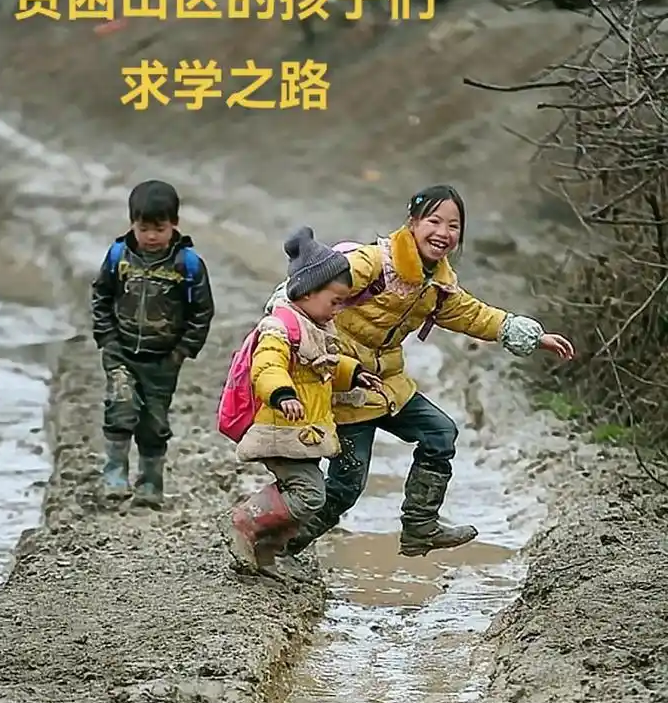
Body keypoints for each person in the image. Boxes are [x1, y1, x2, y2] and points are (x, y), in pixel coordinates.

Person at [267, 185, 574, 560]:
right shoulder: (373, 263)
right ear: (412, 222)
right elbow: (306, 290)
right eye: (434, 221)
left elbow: (472, 314)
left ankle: (420, 526)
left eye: (454, 225)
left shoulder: (438, 285)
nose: (443, 233)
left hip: (388, 384)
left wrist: (529, 335)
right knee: (346, 487)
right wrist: (283, 328)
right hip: (342, 385)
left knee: (439, 432)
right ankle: (279, 548)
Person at [226, 226, 382, 572]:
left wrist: (353, 373)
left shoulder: (314, 326)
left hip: (302, 432)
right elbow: (266, 365)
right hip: (281, 428)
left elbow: (322, 366)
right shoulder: (281, 327)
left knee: (306, 494)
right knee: (310, 494)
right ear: (309, 292)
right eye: (335, 301)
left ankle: (264, 552)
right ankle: (244, 521)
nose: (339, 310)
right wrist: (282, 393)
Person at [91, 179, 215, 506]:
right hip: (121, 351)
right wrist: (106, 338)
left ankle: (150, 483)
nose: (150, 237)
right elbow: (101, 296)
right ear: (132, 223)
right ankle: (114, 472)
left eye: (159, 228)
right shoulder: (119, 256)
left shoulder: (187, 265)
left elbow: (202, 311)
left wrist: (183, 350)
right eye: (143, 228)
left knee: (154, 422)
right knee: (120, 407)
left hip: (163, 359)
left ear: (174, 224)